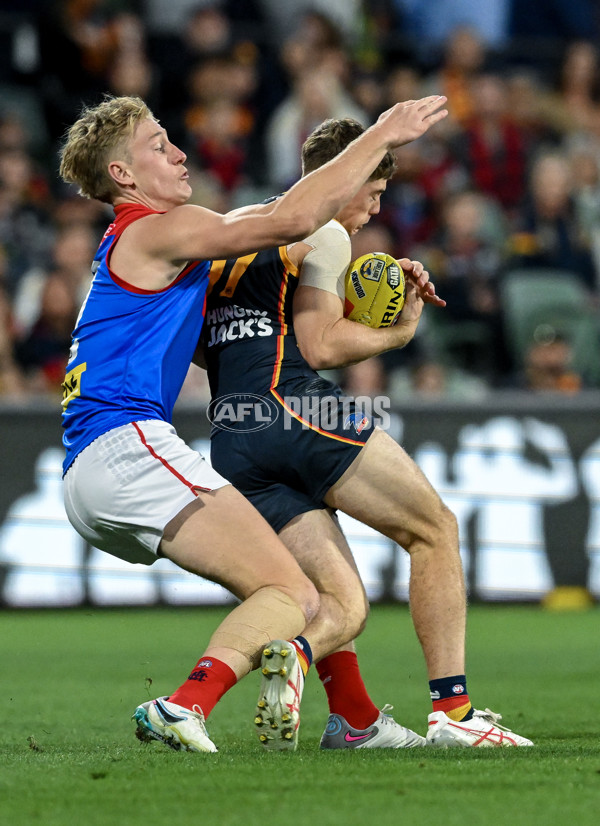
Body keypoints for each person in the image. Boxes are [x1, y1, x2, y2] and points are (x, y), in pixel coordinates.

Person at [57, 93, 448, 754]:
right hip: (125, 444)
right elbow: (293, 216)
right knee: (295, 593)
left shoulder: (146, 248)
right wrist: (381, 135)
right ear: (123, 176)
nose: (179, 153)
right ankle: (184, 704)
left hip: (92, 470)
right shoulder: (158, 228)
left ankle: (352, 718)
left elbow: (212, 334)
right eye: (158, 145)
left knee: (310, 595)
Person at [203, 117, 534, 749]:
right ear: (347, 173)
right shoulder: (322, 228)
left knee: (335, 594)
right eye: (374, 192)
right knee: (434, 529)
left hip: (234, 431)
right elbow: (319, 345)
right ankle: (453, 715)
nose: (372, 210)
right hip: (297, 410)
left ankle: (349, 718)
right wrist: (400, 330)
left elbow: (216, 340)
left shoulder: (239, 227)